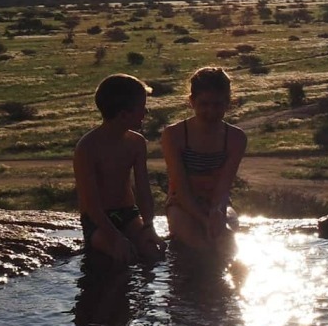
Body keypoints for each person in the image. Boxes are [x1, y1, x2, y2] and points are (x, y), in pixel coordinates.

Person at [73, 73, 163, 265]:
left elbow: (143, 190)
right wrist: (115, 237)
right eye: (142, 108)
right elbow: (91, 204)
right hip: (97, 220)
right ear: (123, 114)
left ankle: (146, 295)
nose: (146, 113)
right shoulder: (87, 147)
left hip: (128, 214)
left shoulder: (137, 143)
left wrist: (149, 226)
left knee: (152, 253)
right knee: (122, 255)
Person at [161, 67, 247, 252]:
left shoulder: (235, 138)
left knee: (227, 243)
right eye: (204, 104)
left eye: (217, 105)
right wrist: (204, 220)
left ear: (228, 103)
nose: (211, 111)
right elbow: (181, 190)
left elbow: (224, 187)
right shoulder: (174, 135)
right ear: (192, 102)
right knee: (201, 247)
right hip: (181, 204)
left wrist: (216, 213)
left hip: (217, 202)